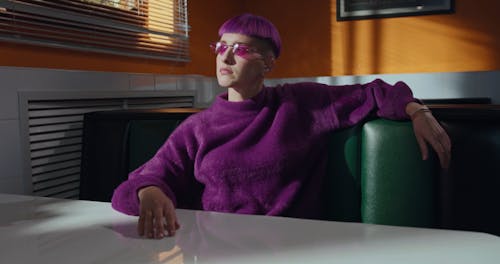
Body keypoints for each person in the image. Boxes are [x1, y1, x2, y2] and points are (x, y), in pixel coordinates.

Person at [111, 13, 451, 239]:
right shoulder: (197, 128)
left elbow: (375, 92)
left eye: (241, 49)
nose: (226, 58)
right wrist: (150, 192)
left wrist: (416, 111)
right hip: (214, 253)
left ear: (269, 63)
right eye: (222, 47)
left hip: (295, 248)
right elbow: (140, 182)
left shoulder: (299, 104)